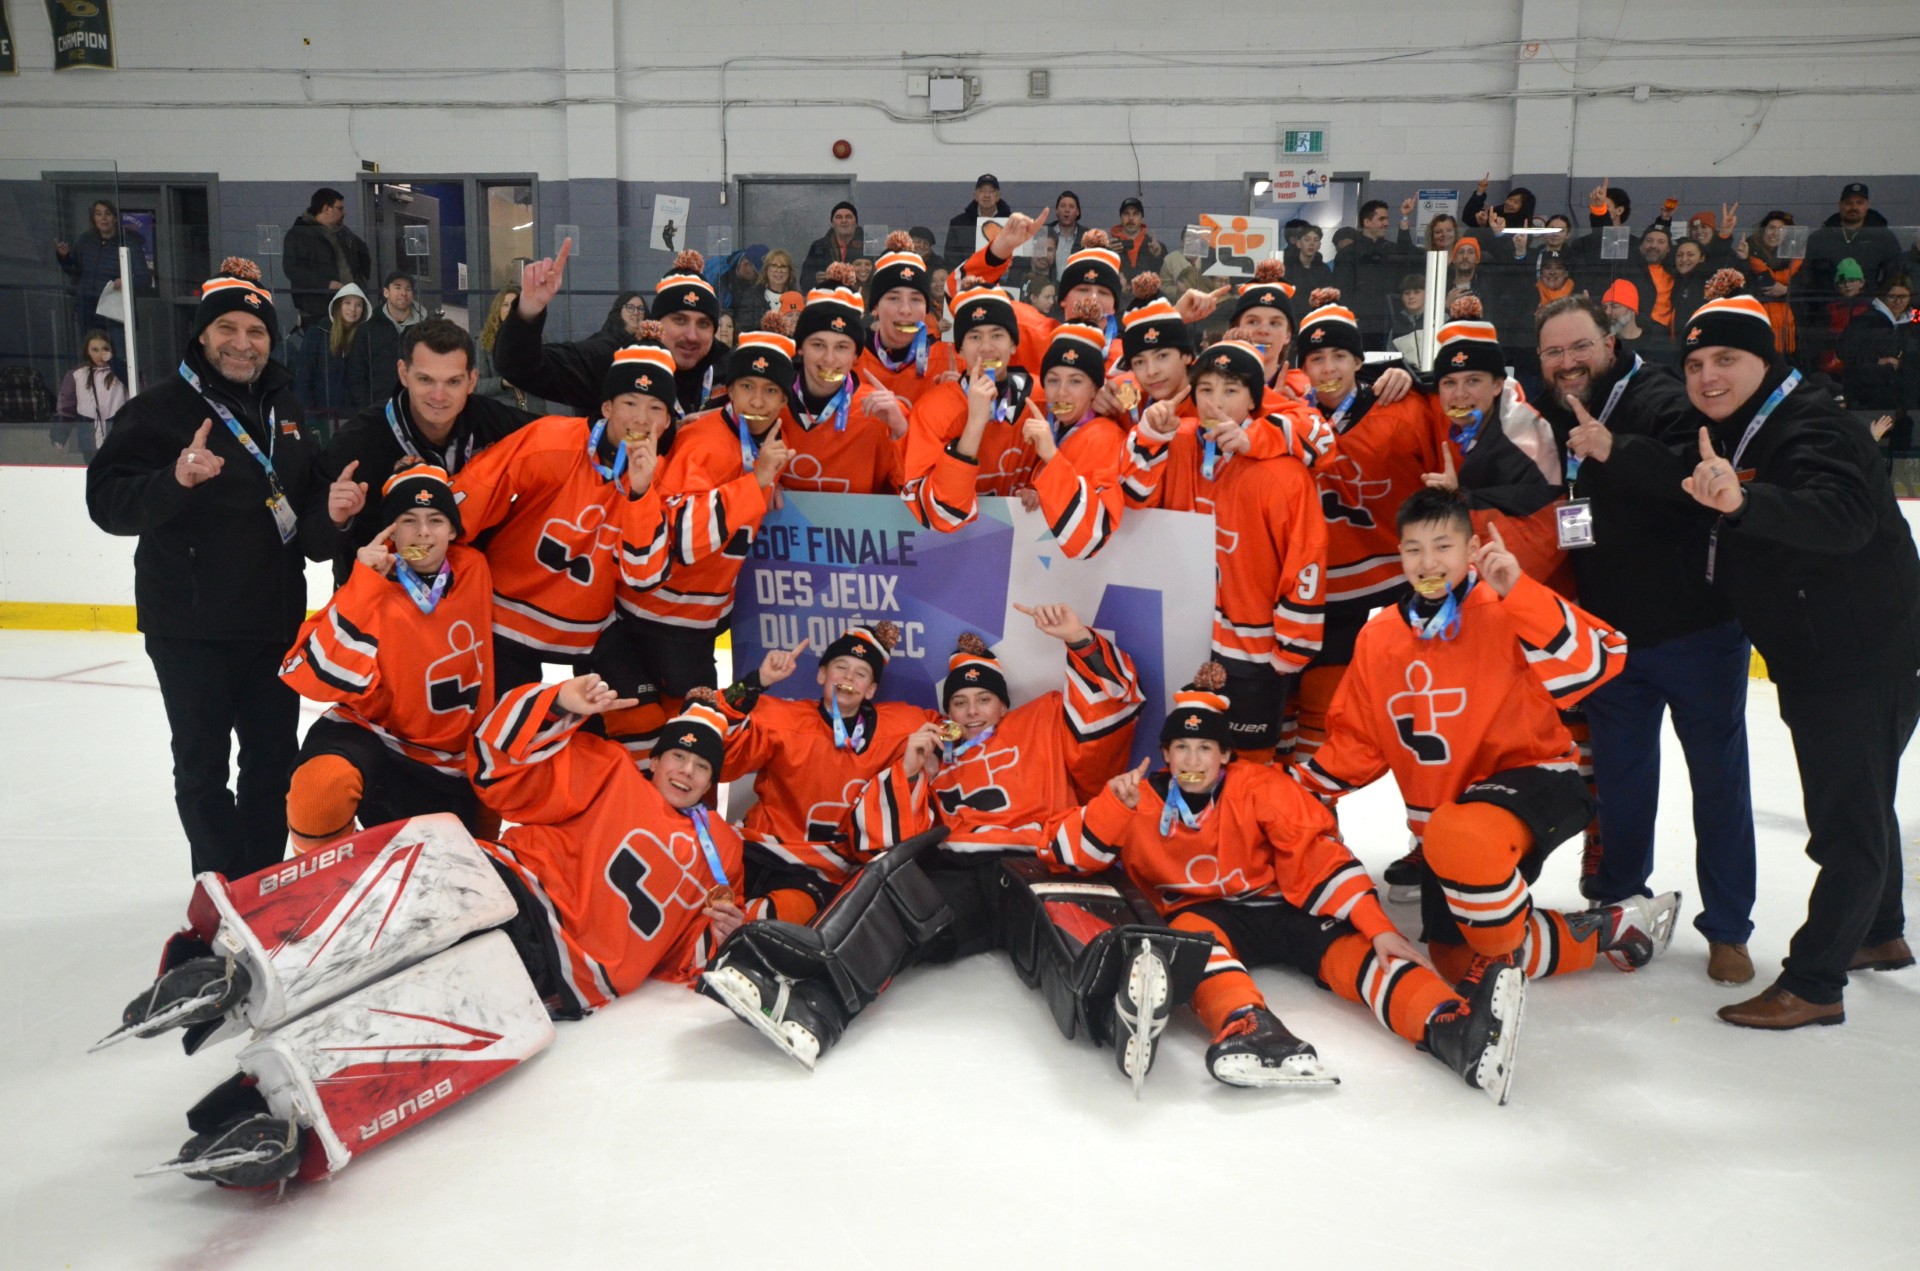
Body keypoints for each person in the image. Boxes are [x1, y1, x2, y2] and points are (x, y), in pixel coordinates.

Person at [1043, 663, 1530, 1099]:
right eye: (1182, 748)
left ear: (1226, 755)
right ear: (1166, 755)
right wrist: (1111, 810)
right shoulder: (1138, 798)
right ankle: (1247, 1026)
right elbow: (1062, 855)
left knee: (1365, 953)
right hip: (1205, 915)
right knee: (1195, 942)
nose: (1192, 761)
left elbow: (1317, 856)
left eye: (1205, 748)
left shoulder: (1264, 787)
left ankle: (1451, 1026)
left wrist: (1375, 924)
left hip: (1284, 906)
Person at [702, 607, 1151, 1075]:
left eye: (984, 699)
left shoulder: (1042, 718)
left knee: (1058, 932)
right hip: (960, 872)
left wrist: (1080, 640)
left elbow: (1106, 716)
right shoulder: (937, 751)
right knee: (892, 900)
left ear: (1004, 704)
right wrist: (910, 771)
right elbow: (884, 839)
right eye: (960, 702)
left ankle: (1118, 1017)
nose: (972, 711)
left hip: (1033, 861)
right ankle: (814, 1009)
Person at [1296, 489, 1679, 987]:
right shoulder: (1380, 635)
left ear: (1472, 548)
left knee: (1463, 838)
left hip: (1537, 784)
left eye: (1443, 547)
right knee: (1456, 958)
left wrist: (1518, 590)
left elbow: (1600, 662)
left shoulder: (1505, 606)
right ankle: (1607, 931)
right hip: (1448, 824)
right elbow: (1358, 741)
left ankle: (1500, 955)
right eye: (1414, 549)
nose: (1428, 561)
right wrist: (1295, 788)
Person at [1676, 292, 1920, 1029]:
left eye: (1726, 359)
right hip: (1848, 648)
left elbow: (1842, 517)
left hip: (1851, 655)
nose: (1708, 376)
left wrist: (1745, 505)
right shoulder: (1763, 423)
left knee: (1845, 819)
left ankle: (1815, 980)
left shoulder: (1809, 424)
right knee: (1864, 796)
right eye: (1694, 363)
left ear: (1765, 360)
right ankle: (1877, 932)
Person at [86, 268, 366, 878]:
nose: (243, 342)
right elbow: (106, 503)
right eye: (227, 328)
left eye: (255, 331)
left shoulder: (285, 408)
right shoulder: (160, 409)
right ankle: (219, 885)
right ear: (203, 334)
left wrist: (336, 516)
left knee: (272, 764)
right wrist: (175, 480)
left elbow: (303, 530)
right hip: (190, 629)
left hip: (272, 624)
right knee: (203, 768)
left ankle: (259, 883)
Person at [1533, 291, 1759, 984]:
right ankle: (1615, 902)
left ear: (1610, 340)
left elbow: (1696, 475)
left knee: (1717, 783)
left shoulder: (1663, 396)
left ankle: (1727, 928)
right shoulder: (1551, 407)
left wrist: (1611, 448)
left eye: (1579, 347)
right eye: (1553, 352)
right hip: (1613, 644)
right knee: (1623, 783)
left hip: (1698, 633)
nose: (1567, 362)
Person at [1118, 331, 1328, 764]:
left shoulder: (1283, 472)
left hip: (1251, 648)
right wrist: (1148, 437)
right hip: (1181, 635)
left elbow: (1305, 555)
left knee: (1249, 765)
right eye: (1206, 389)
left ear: (1255, 400)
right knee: (1182, 758)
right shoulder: (1178, 443)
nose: (1215, 402)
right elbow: (1133, 497)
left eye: (1231, 391)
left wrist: (1293, 644)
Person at [590, 324, 794, 767]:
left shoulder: (770, 444)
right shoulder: (703, 442)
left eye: (770, 390)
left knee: (689, 749)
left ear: (784, 400)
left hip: (695, 632)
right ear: (730, 389)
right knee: (636, 754)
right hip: (642, 621)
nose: (756, 402)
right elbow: (682, 539)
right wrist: (756, 483)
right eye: (746, 386)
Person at [279, 463, 495, 854]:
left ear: (453, 530)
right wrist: (364, 582)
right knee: (319, 789)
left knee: (466, 861)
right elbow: (308, 674)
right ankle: (327, 890)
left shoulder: (477, 569)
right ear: (391, 531)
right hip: (374, 735)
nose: (424, 532)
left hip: (452, 760)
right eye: (408, 520)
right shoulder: (371, 582)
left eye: (435, 519)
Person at [450, 338, 678, 692]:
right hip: (506, 618)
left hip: (592, 628)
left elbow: (644, 574)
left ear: (667, 421)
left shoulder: (664, 477)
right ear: (606, 407)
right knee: (503, 731)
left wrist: (641, 492)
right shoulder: (550, 440)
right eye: (629, 403)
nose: (640, 419)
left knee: (636, 723)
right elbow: (468, 500)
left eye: (655, 408)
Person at [1290, 297, 1445, 759]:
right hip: (1328, 582)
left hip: (1401, 576)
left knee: (1419, 701)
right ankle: (1314, 801)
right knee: (1321, 698)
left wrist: (1419, 378)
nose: (1328, 367)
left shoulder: (1403, 409)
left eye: (1340, 356)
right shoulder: (1289, 417)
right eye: (1316, 358)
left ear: (1360, 362)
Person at [704, 623, 945, 920]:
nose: (847, 677)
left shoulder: (901, 725)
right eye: (840, 667)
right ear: (821, 675)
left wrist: (937, 751)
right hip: (755, 846)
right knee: (698, 897)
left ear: (870, 690)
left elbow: (953, 726)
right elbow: (709, 723)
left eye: (861, 673)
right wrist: (757, 681)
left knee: (776, 917)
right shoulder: (783, 716)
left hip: (821, 868)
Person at [322, 317, 537, 583]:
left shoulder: (497, 424)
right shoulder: (357, 443)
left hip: (467, 596)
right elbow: (315, 545)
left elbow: (564, 440)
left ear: (472, 380)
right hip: (383, 602)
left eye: (453, 382)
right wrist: (338, 522)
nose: (438, 395)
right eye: (425, 379)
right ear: (404, 374)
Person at [497, 243, 726, 418]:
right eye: (680, 320)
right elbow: (520, 368)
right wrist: (528, 310)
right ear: (656, 323)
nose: (692, 335)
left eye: (704, 324)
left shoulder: (729, 367)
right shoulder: (616, 359)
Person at [777, 266, 909, 494]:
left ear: (856, 355)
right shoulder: (769, 404)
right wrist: (761, 484)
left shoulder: (881, 411)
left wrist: (901, 432)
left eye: (842, 347)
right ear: (800, 349)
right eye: (818, 345)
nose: (829, 359)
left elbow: (912, 496)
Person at [855, 231, 959, 405]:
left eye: (916, 299)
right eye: (894, 298)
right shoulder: (850, 358)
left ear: (926, 308)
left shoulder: (948, 361)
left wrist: (958, 402)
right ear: (875, 308)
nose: (905, 310)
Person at [54, 198, 151, 375]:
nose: (103, 218)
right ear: (93, 219)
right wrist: (64, 257)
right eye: (98, 214)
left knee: (118, 359)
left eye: (107, 213)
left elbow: (144, 279)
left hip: (115, 312)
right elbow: (75, 271)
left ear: (115, 218)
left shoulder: (128, 242)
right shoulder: (85, 240)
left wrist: (127, 281)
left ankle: (126, 397)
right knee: (92, 361)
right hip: (88, 309)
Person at [282, 187, 372, 331]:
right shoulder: (299, 234)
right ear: (326, 208)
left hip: (350, 306)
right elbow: (292, 269)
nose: (344, 213)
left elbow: (364, 254)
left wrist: (361, 280)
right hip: (318, 309)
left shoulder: (344, 233)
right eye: (340, 208)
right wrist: (326, 284)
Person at [1804, 182, 1903, 307]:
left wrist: (1879, 299)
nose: (1853, 207)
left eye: (1859, 203)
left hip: (1870, 309)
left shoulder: (1883, 237)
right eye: (1848, 203)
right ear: (1840, 205)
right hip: (1827, 310)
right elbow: (1806, 273)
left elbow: (1895, 274)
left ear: (1867, 205)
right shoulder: (1820, 237)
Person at [293, 282, 367, 444]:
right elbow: (304, 378)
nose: (352, 309)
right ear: (338, 305)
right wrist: (309, 418)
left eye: (358, 305)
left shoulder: (366, 337)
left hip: (355, 419)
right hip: (323, 416)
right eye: (347, 303)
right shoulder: (318, 333)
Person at [1336, 200, 1413, 350]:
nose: (1386, 223)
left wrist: (1404, 218)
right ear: (1367, 222)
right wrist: (1350, 320)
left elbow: (1407, 257)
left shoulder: (1391, 250)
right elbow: (1342, 292)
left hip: (1390, 325)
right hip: (1360, 328)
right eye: (1381, 219)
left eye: (1387, 219)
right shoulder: (1347, 254)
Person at [347, 271, 424, 410]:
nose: (403, 293)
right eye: (397, 287)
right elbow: (356, 374)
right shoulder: (368, 330)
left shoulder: (425, 329)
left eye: (408, 289)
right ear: (386, 292)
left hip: (418, 409)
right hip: (379, 410)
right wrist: (366, 409)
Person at [52, 329, 127, 462]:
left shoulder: (123, 371)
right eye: (95, 349)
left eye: (105, 349)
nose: (101, 354)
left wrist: (115, 363)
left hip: (119, 436)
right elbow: (66, 408)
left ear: (112, 351)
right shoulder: (76, 375)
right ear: (87, 351)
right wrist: (59, 435)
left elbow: (140, 388)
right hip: (88, 437)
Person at [1737, 211, 1802, 359]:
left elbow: (1808, 288)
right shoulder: (1748, 252)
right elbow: (1740, 288)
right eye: (1771, 228)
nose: (1775, 233)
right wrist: (1742, 261)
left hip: (1790, 331)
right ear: (1763, 230)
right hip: (1754, 326)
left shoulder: (1797, 258)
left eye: (1782, 230)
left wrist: (1787, 290)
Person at [476, 284, 531, 410]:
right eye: (505, 305)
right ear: (498, 309)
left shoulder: (535, 338)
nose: (509, 309)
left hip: (531, 411)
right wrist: (503, 382)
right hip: (501, 413)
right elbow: (479, 385)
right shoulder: (484, 342)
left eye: (514, 305)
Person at [945, 175, 1010, 270]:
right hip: (968, 279)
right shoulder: (959, 223)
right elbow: (951, 258)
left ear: (998, 196)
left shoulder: (1012, 223)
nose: (986, 195)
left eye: (991, 191)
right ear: (975, 196)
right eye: (982, 190)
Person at [802, 201, 866, 284]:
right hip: (829, 295)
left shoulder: (869, 245)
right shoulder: (818, 246)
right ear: (832, 223)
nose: (844, 220)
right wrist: (815, 280)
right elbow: (804, 280)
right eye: (839, 217)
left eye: (849, 217)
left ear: (856, 223)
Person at [1110, 196, 1165, 281]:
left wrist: (1158, 256)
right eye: (1126, 213)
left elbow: (1163, 278)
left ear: (1141, 218)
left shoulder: (1155, 247)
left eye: (1135, 214)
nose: (1131, 218)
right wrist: (1107, 253)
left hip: (1147, 293)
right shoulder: (1110, 245)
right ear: (1121, 218)